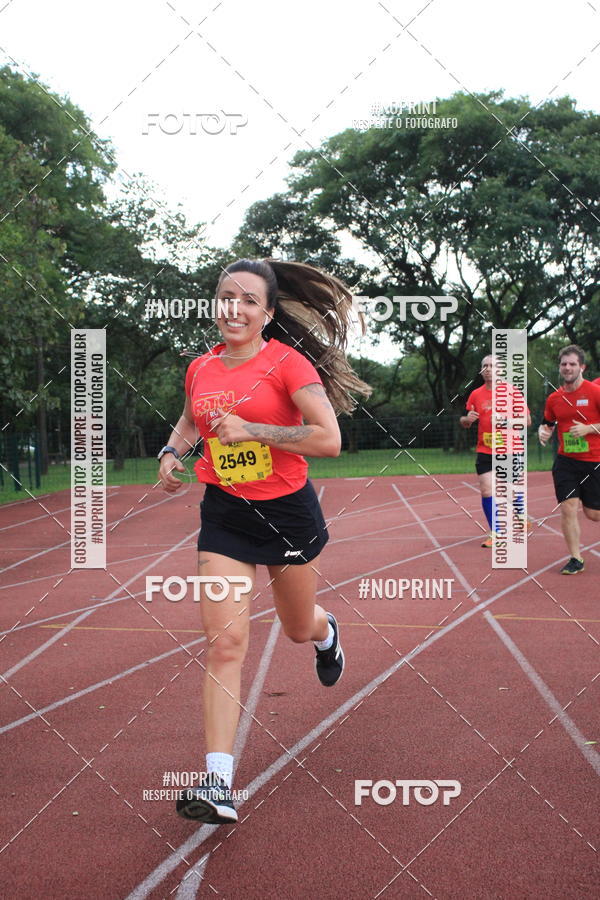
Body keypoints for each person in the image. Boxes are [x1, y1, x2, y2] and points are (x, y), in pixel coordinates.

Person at [157, 258, 371, 824]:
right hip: (225, 515)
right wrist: (171, 451)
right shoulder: (200, 368)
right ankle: (218, 783)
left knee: (298, 628)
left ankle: (328, 634)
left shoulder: (288, 364)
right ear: (215, 304)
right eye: (227, 297)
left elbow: (329, 440)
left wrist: (255, 429)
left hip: (286, 514)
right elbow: (188, 421)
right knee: (225, 645)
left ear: (267, 313)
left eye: (249, 300)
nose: (236, 308)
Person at [538, 344, 600, 574]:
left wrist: (589, 429)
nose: (567, 367)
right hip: (566, 462)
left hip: (594, 460)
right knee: (568, 507)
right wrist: (543, 432)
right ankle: (576, 558)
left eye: (572, 363)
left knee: (594, 515)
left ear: (582, 367)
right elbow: (548, 423)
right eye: (564, 364)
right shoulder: (554, 398)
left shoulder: (595, 393)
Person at [460, 355, 532, 547]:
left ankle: (520, 513)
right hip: (485, 449)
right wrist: (467, 420)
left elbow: (527, 421)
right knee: (486, 490)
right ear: (481, 370)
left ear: (500, 369)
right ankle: (496, 533)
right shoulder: (475, 394)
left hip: (509, 448)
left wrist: (506, 422)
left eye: (493, 366)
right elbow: (465, 422)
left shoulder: (513, 392)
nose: (489, 369)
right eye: (485, 366)